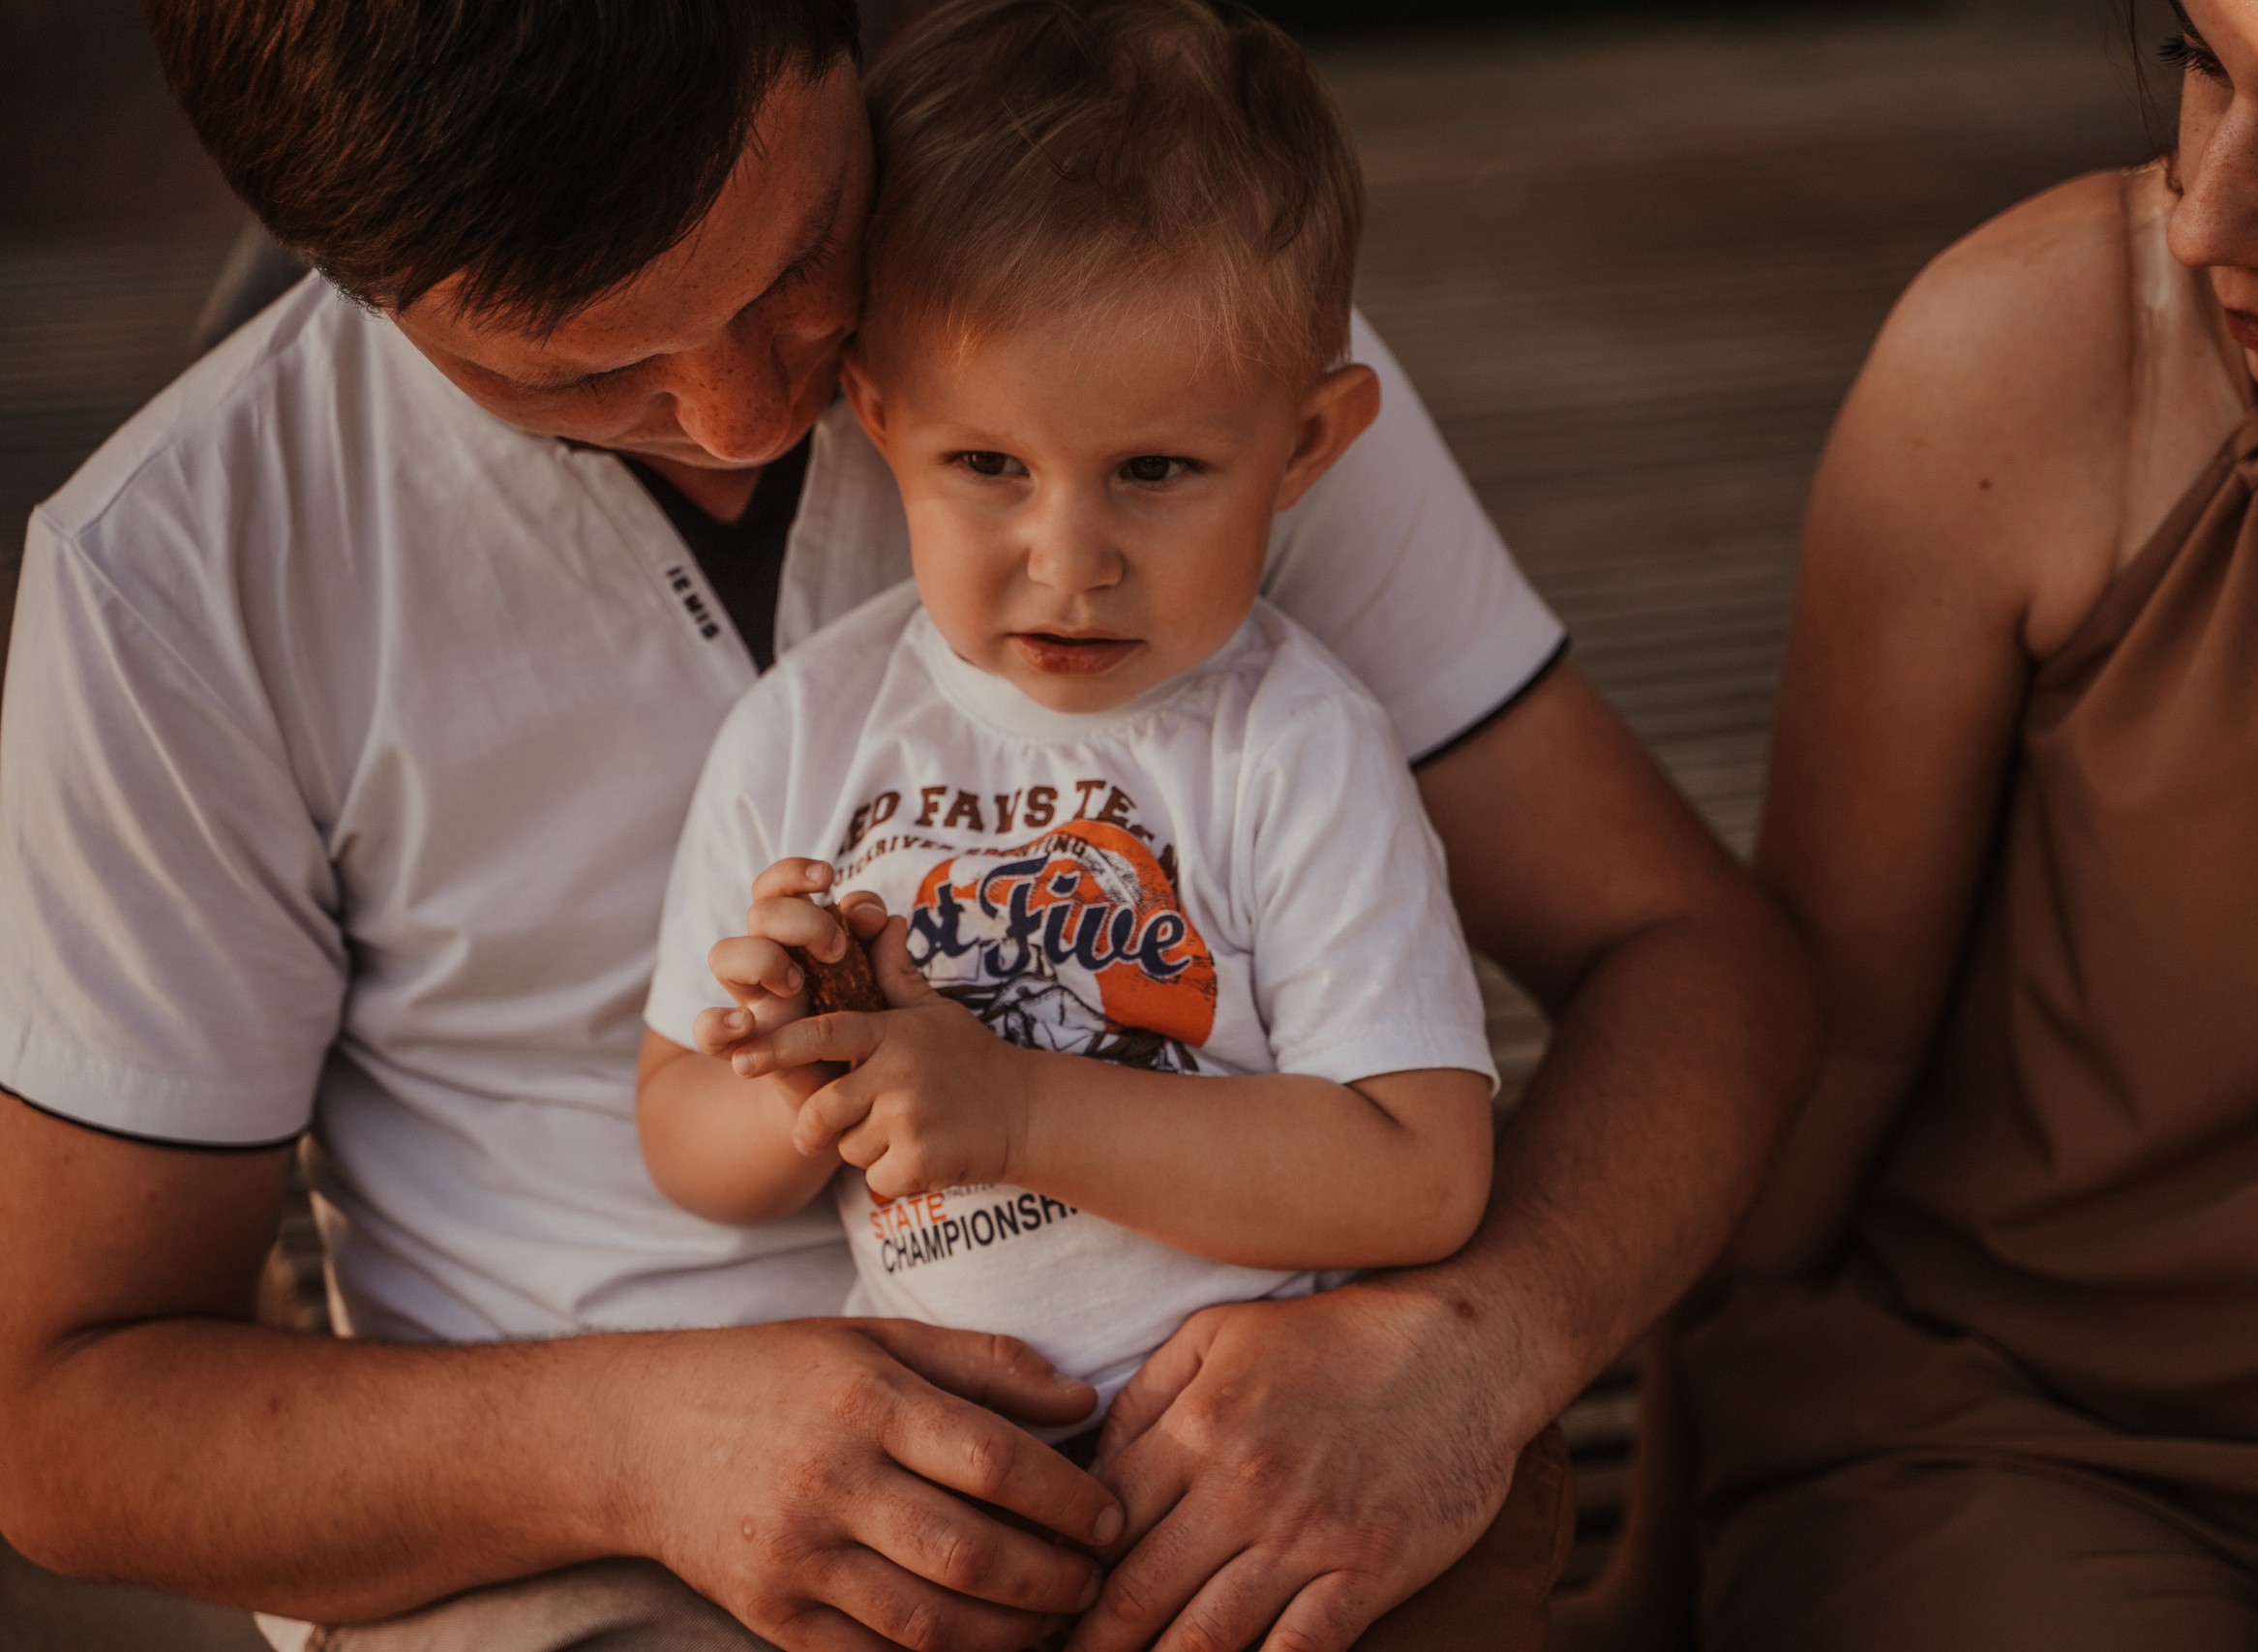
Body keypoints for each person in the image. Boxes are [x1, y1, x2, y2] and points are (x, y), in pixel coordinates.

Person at [0, 0, 1815, 1649]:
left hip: (1245, 1466)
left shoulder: (1158, 308)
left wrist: (1478, 1345)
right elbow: (59, 1421)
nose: (746, 416)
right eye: (576, 375)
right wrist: (631, 1448)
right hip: (575, 1559)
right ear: (359, 284)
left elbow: (1689, 954)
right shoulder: (180, 580)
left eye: (799, 259)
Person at [1558, 0, 2258, 1644]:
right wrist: (1661, 1580)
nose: (2211, 217)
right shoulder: (2041, 356)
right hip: (1994, 1425)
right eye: (2202, 64)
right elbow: (1828, 1044)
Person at [638, 0, 1500, 1461]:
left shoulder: (1290, 744)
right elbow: (681, 1138)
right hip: (942, 1465)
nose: (1070, 560)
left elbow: (1420, 1172)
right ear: (877, 417)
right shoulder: (809, 732)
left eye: (1154, 470)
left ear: (1305, 445)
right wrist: (796, 1073)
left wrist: (1022, 1115)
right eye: (988, 463)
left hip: (1254, 1458)